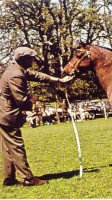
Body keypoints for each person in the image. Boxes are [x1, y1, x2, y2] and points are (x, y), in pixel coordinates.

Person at [0, 47, 73, 186]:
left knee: (8, 146)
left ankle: (9, 178)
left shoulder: (17, 69)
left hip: (3, 113)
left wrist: (57, 80)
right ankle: (28, 178)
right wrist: (32, 98)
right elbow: (21, 100)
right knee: (16, 145)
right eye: (32, 58)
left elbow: (37, 76)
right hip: (8, 114)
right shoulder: (16, 75)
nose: (34, 60)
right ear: (24, 59)